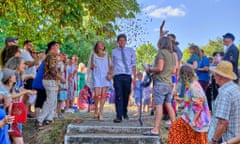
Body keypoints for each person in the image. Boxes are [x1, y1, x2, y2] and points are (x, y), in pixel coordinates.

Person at [168, 65, 211, 144]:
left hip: (197, 119)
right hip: (190, 116)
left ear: (183, 75)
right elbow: (192, 100)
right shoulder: (191, 84)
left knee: (175, 129)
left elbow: (199, 105)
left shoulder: (193, 87)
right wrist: (182, 100)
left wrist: (194, 121)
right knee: (186, 137)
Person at [143, 36, 176, 136]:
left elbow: (160, 68)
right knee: (169, 105)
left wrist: (149, 69)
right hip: (169, 83)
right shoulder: (172, 55)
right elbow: (174, 71)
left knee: (159, 106)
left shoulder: (161, 53)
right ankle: (175, 128)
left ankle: (155, 129)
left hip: (160, 83)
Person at [4, 57, 35, 144]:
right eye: (23, 64)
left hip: (16, 111)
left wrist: (27, 91)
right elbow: (10, 95)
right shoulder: (11, 76)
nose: (24, 66)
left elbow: (18, 89)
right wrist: (26, 92)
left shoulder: (19, 76)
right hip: (10, 111)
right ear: (17, 65)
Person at [208, 61, 240, 144]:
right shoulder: (235, 88)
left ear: (220, 77)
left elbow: (222, 122)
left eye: (215, 74)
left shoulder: (225, 93)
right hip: (235, 137)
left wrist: (214, 140)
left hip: (225, 139)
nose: (214, 77)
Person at [112, 34, 137, 123]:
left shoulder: (130, 51)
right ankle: (118, 116)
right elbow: (112, 64)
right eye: (120, 40)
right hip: (118, 75)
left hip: (127, 75)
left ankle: (124, 111)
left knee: (126, 95)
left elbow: (133, 64)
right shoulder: (114, 51)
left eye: (123, 40)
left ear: (126, 41)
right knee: (118, 95)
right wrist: (110, 75)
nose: (122, 42)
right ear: (118, 42)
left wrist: (134, 78)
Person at [36, 53, 66, 127]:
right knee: (50, 101)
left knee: (54, 101)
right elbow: (54, 73)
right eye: (56, 57)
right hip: (49, 82)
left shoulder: (51, 64)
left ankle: (49, 118)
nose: (57, 58)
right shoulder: (51, 65)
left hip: (51, 82)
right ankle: (40, 119)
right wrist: (62, 79)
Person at [32, 41, 59, 118]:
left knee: (43, 98)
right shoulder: (49, 58)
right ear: (52, 47)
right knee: (43, 98)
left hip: (41, 80)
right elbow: (52, 71)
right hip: (42, 81)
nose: (58, 49)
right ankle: (40, 116)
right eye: (57, 46)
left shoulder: (47, 58)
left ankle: (45, 115)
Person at [89, 41, 112, 121]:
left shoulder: (107, 55)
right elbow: (91, 67)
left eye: (103, 44)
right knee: (96, 94)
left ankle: (101, 113)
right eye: (100, 44)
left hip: (105, 76)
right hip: (97, 75)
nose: (102, 45)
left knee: (103, 95)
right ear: (97, 46)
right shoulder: (93, 55)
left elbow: (110, 66)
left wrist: (110, 74)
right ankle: (96, 109)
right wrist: (92, 66)